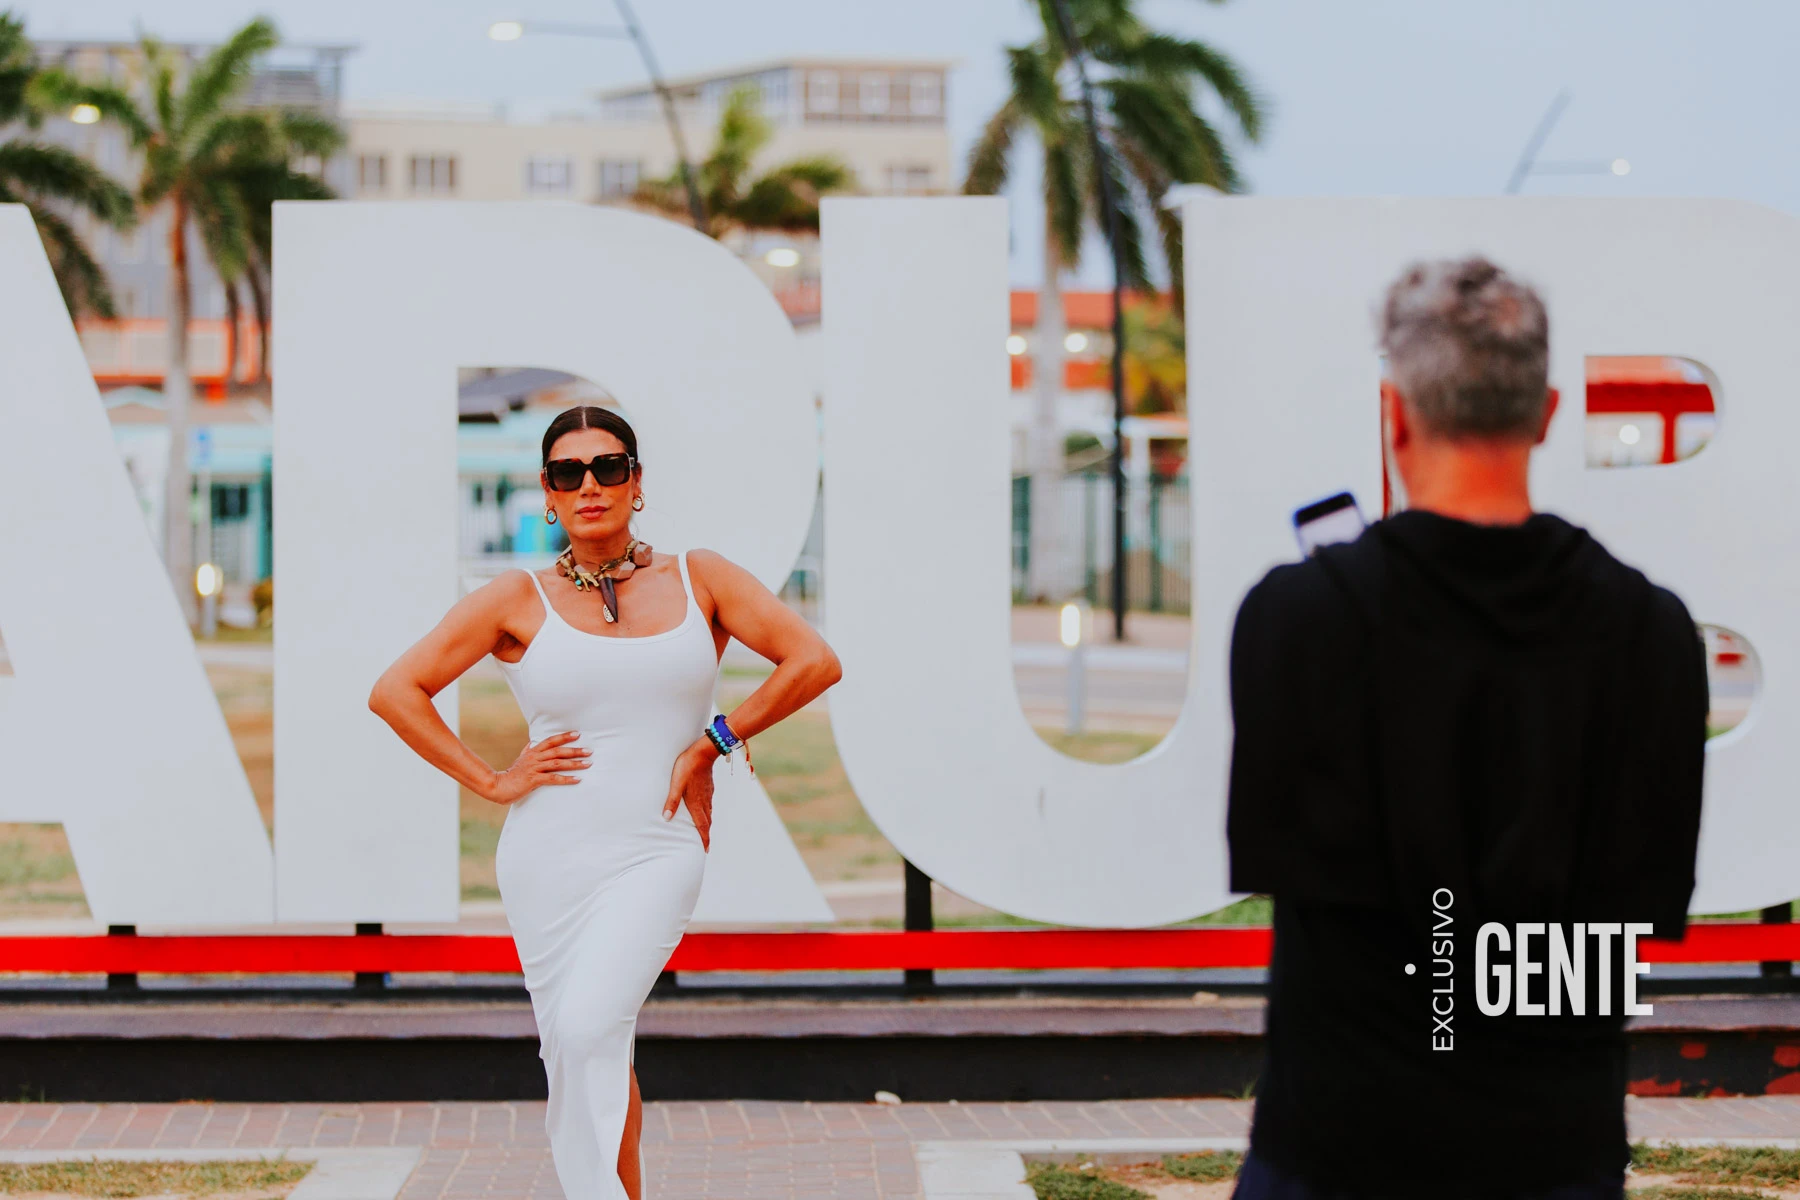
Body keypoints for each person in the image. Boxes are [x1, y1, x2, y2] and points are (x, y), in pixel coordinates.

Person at [1226, 258, 1708, 1200]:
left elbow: (1301, 879)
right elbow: (1632, 915)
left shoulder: (1299, 618)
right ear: (1547, 412)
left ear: (1394, 413)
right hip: (1557, 1152)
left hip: (1335, 1151)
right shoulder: (1652, 634)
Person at [369, 405, 841, 1200]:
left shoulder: (702, 578)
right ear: (547, 495)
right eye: (567, 473)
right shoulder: (516, 598)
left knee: (589, 1027)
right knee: (586, 1047)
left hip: (658, 845)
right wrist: (492, 781)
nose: (590, 485)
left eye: (609, 467)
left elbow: (813, 660)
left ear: (637, 484)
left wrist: (710, 740)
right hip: (546, 856)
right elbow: (395, 691)